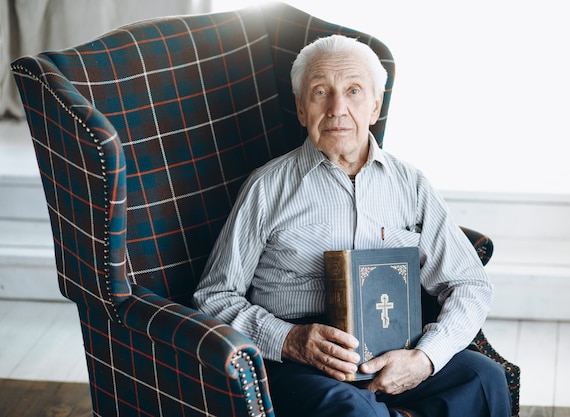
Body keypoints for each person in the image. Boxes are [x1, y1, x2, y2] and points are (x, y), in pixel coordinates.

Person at [193, 34, 511, 417]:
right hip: (302, 361)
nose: (337, 108)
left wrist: (424, 357)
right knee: (351, 409)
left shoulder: (411, 185)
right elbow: (214, 296)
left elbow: (468, 284)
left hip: (397, 347)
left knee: (483, 378)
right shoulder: (267, 188)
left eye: (354, 91)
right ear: (300, 108)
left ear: (375, 106)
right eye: (320, 92)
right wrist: (290, 340)